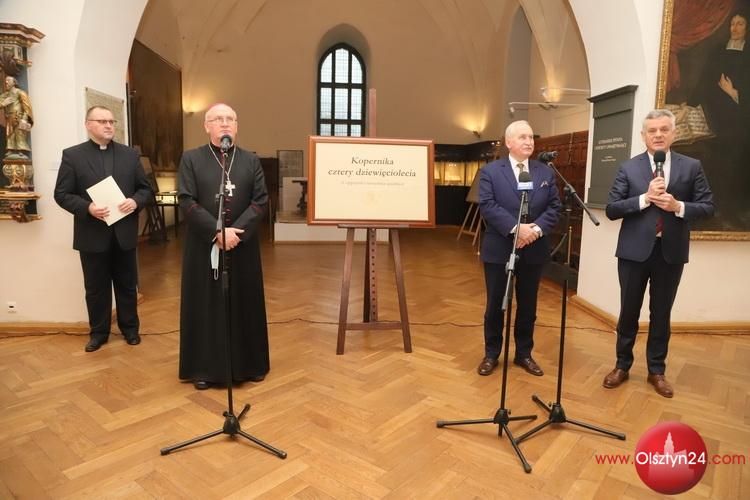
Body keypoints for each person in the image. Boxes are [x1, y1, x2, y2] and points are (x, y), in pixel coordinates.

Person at [603, 109, 714, 398]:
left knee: (661, 314)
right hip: (633, 253)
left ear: (673, 134)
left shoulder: (692, 167)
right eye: (652, 131)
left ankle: (656, 370)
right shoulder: (629, 168)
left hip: (670, 253)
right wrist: (643, 199)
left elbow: (707, 207)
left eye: (664, 129)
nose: (658, 135)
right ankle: (622, 365)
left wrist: (678, 206)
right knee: (628, 311)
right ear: (644, 136)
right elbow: (612, 208)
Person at [178, 103, 270, 390]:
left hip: (241, 245)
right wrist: (216, 231)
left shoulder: (249, 161)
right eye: (218, 119)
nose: (225, 123)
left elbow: (260, 201)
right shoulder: (191, 159)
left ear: (237, 125)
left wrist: (235, 233)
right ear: (207, 126)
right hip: (205, 246)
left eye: (231, 118)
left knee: (244, 303)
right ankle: (205, 368)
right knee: (206, 305)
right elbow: (186, 200)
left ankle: (250, 365)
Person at [54, 106, 153, 352]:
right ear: (88, 124)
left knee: (128, 286)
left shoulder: (130, 155)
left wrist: (135, 201)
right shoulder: (72, 156)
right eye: (102, 121)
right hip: (92, 234)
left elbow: (146, 189)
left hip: (124, 235)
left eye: (111, 121)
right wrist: (87, 208)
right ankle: (98, 333)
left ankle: (130, 330)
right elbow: (62, 194)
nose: (109, 126)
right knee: (96, 288)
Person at [476, 120, 561, 377]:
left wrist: (533, 231)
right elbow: (488, 206)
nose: (528, 142)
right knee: (495, 304)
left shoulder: (545, 172)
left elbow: (555, 207)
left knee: (528, 305)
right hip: (499, 248)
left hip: (533, 248)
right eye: (522, 137)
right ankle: (492, 353)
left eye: (531, 138)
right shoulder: (491, 172)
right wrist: (516, 229)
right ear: (509, 142)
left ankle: (524, 354)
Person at [0, 76, 33, 158]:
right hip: (9, 117)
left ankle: (20, 149)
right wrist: (3, 104)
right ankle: (10, 149)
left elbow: (26, 106)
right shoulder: (5, 95)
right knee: (9, 134)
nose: (6, 82)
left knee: (19, 134)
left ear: (14, 82)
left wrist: (25, 118)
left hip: (19, 116)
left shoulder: (20, 92)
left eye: (8, 80)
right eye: (5, 81)